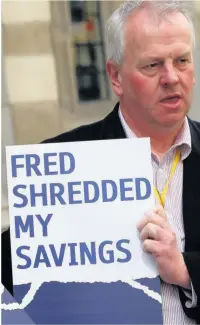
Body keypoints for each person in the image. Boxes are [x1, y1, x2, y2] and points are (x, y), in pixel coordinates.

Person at [2, 0, 200, 323]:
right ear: (115, 77)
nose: (171, 77)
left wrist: (184, 270)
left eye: (182, 61)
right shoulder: (61, 164)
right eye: (152, 65)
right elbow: (11, 279)